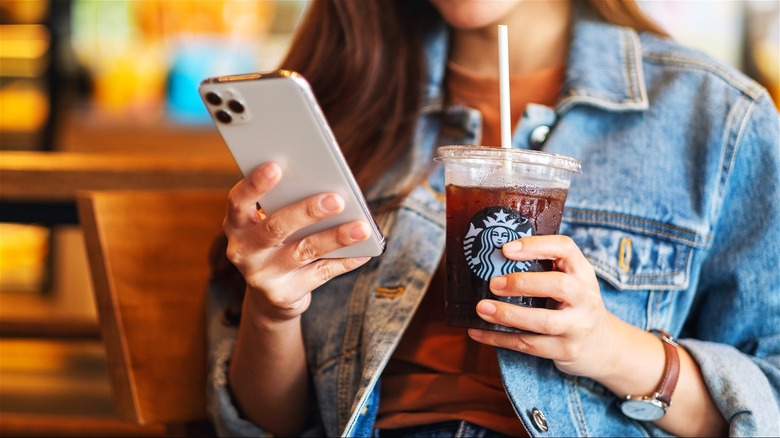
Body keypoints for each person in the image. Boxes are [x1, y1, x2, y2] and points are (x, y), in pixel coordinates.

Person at [206, 0, 780, 436]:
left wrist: (609, 349)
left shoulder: (718, 117)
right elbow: (268, 424)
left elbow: (767, 400)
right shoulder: (346, 99)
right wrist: (274, 309)